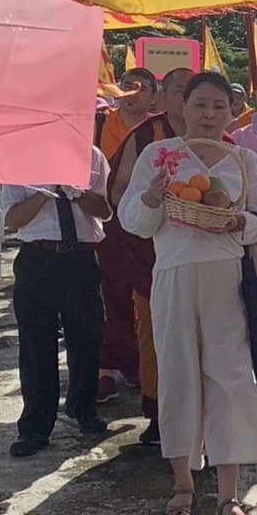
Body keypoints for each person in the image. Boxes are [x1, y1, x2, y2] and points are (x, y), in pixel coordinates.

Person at [119, 70, 257, 515]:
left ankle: (229, 495)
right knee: (178, 371)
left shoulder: (244, 158)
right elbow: (133, 221)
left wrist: (240, 224)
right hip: (172, 273)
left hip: (226, 276)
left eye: (218, 106)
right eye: (200, 104)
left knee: (230, 375)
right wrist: (151, 196)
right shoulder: (158, 154)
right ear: (180, 107)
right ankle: (182, 484)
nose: (209, 114)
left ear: (231, 111)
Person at [4, 149, 112, 459]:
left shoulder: (91, 156)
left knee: (88, 334)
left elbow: (104, 210)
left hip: (80, 256)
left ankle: (83, 408)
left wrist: (76, 193)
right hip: (38, 257)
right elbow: (13, 220)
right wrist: (44, 193)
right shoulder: (19, 157)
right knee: (37, 343)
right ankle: (35, 426)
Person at [109, 64, 194, 445]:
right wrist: (151, 204)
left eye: (192, 91)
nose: (186, 99)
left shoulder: (219, 137)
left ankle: (200, 413)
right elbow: (119, 191)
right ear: (162, 96)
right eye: (178, 90)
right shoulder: (147, 134)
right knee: (155, 332)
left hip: (203, 253)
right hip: (152, 249)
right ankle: (160, 411)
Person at [95, 66, 158, 400]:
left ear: (153, 95)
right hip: (106, 219)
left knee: (144, 294)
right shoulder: (102, 124)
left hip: (148, 220)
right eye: (127, 86)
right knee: (111, 294)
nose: (135, 92)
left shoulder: (157, 129)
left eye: (143, 87)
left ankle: (137, 364)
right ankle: (106, 366)